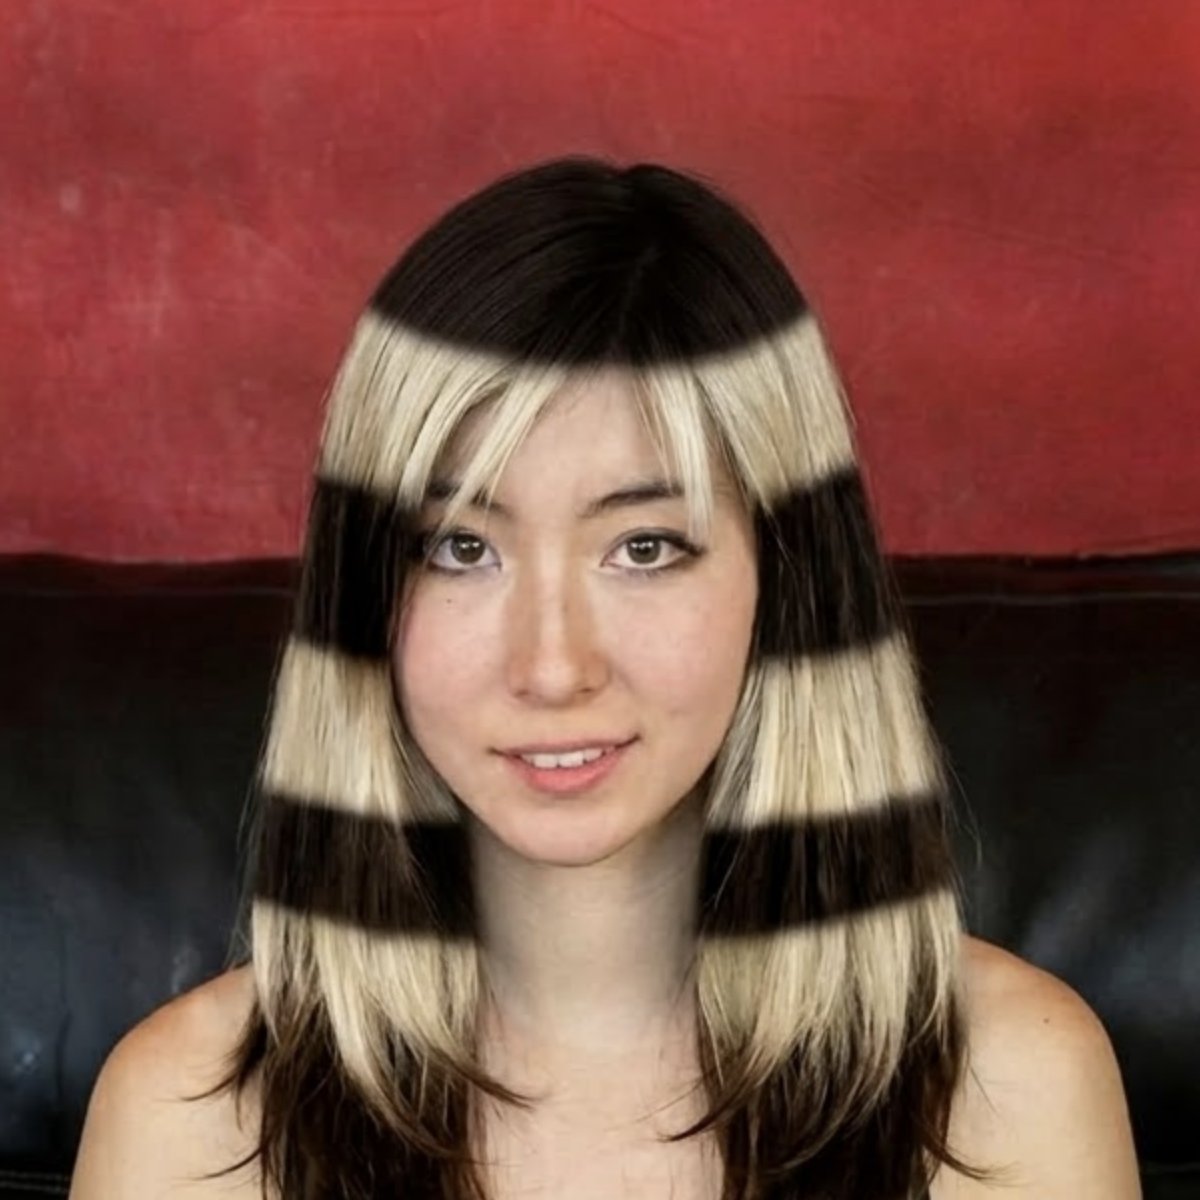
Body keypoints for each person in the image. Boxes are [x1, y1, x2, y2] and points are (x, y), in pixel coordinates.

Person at [69, 156, 1141, 1199]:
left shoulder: (1009, 1089)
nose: (552, 667)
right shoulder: (191, 1123)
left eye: (644, 548)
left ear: (791, 583)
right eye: (459, 547)